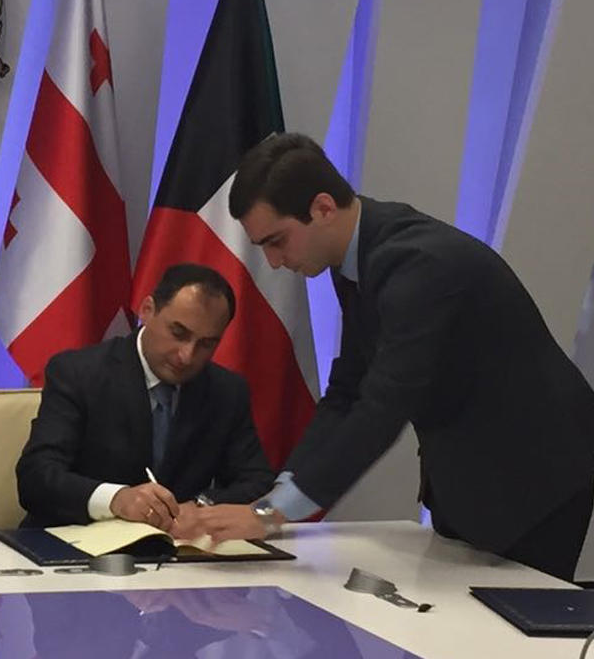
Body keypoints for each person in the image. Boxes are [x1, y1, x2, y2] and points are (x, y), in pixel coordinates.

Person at [193, 132, 594, 581]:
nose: (273, 261)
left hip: (534, 477)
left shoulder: (418, 265)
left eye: (277, 241)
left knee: (512, 618)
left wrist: (271, 514)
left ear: (322, 208)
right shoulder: (356, 261)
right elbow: (347, 391)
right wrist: (275, 497)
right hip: (468, 481)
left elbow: (383, 407)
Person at [16, 263, 275, 535]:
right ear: (147, 310)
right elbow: (36, 478)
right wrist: (116, 499)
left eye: (206, 344)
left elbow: (257, 483)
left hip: (178, 551)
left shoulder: (226, 390)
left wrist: (201, 506)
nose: (186, 356)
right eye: (178, 333)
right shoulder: (79, 373)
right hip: (77, 544)